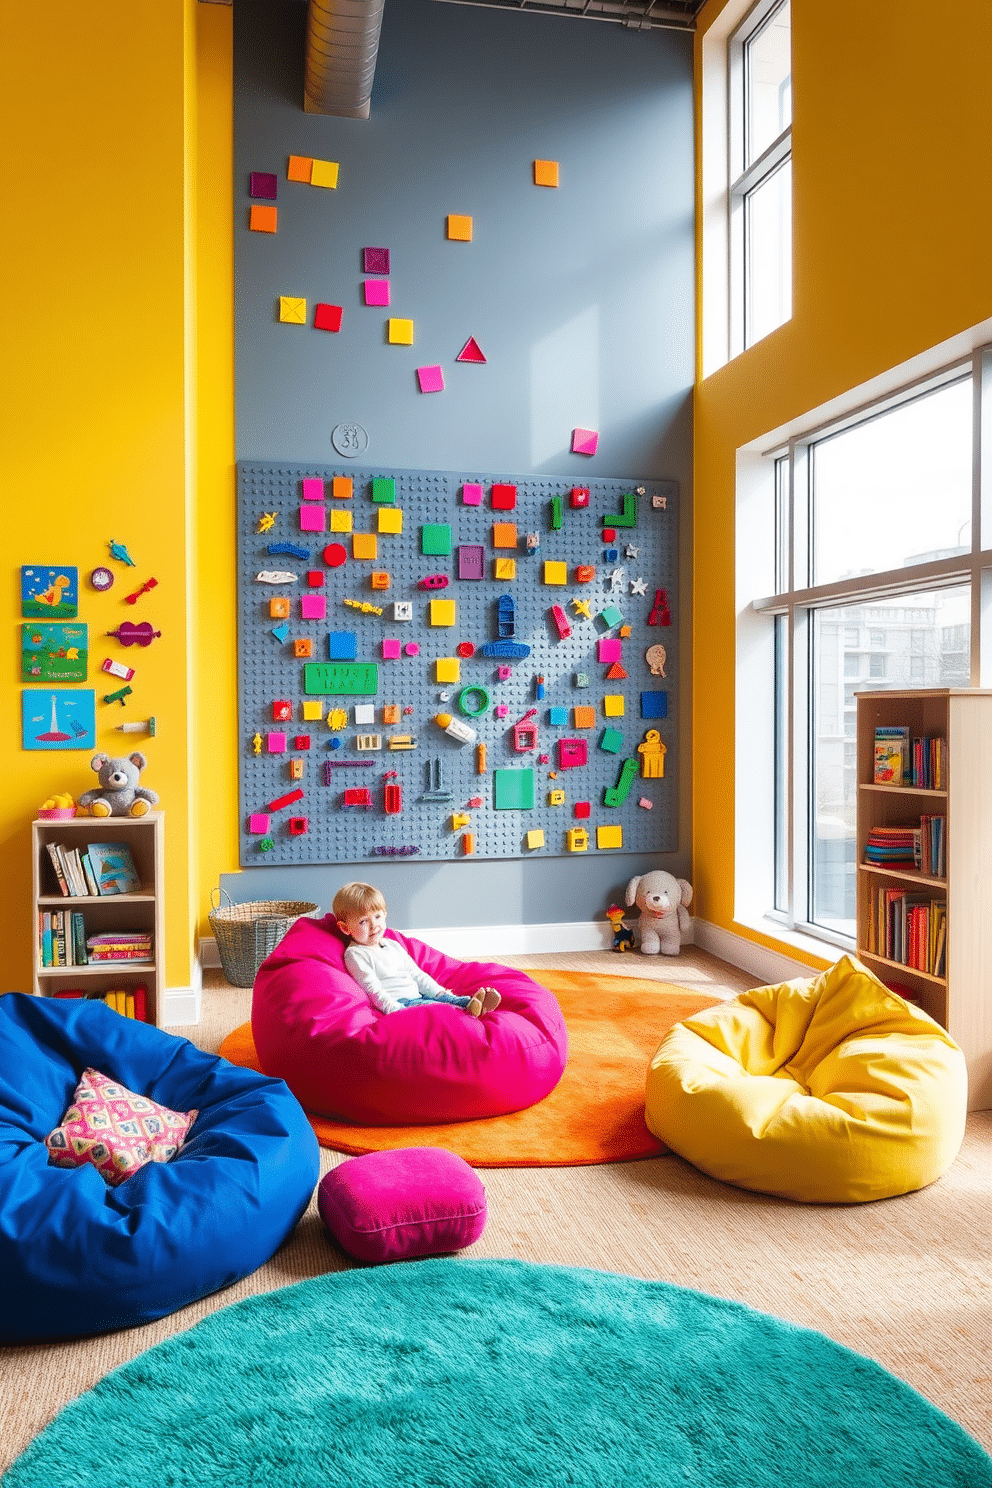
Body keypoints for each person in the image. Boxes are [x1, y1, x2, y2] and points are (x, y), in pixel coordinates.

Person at [332, 881, 501, 1018]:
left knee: (447, 999)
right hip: (402, 1003)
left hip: (419, 995)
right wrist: (394, 1009)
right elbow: (372, 989)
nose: (374, 925)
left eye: (377, 916)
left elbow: (416, 974)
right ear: (345, 928)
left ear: (384, 914)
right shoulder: (356, 954)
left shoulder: (392, 945)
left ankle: (472, 1003)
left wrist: (438, 991)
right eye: (363, 921)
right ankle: (468, 1012)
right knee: (436, 1009)